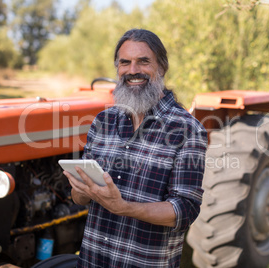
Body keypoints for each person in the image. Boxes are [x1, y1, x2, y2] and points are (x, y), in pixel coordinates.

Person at [63, 28, 207, 268]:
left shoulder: (186, 129)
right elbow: (79, 198)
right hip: (92, 261)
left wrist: (124, 208)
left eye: (143, 61)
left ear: (161, 68)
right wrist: (81, 190)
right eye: (125, 63)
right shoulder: (103, 121)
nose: (132, 70)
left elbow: (184, 210)